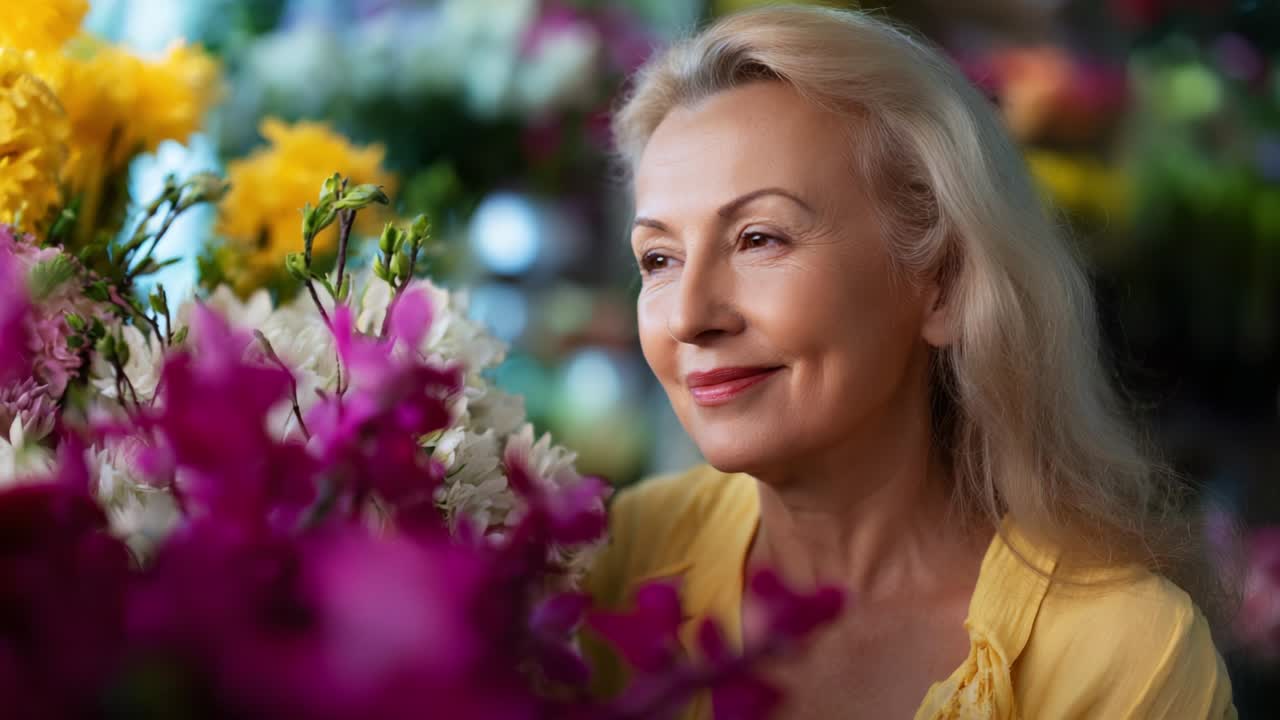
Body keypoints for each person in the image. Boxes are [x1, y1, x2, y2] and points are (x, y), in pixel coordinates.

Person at [583, 5, 1238, 719]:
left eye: (760, 238)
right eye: (659, 258)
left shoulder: (1125, 657)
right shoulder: (620, 557)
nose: (688, 317)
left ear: (945, 282)